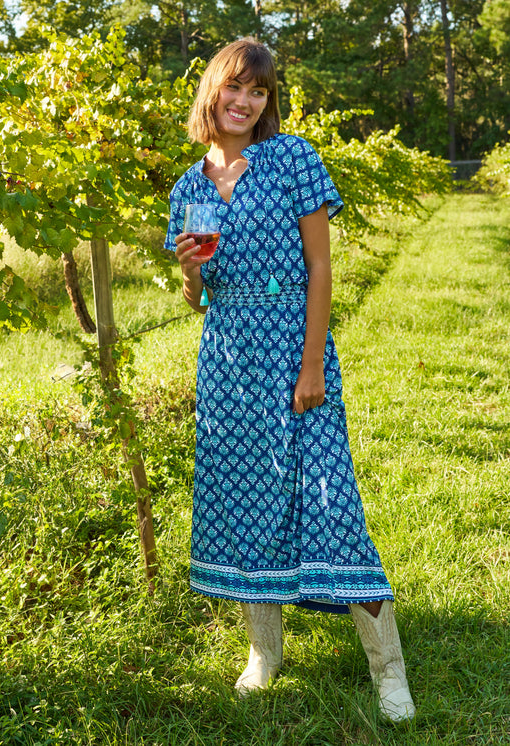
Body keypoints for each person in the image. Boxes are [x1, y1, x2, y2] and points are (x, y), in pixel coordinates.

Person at [164, 37, 416, 723]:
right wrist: (188, 270)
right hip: (227, 363)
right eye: (235, 87)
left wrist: (311, 364)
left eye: (259, 91)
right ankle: (265, 653)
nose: (245, 101)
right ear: (212, 91)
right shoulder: (187, 188)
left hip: (292, 348)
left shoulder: (292, 159)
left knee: (332, 506)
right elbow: (196, 299)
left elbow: (320, 268)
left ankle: (387, 673)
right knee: (247, 506)